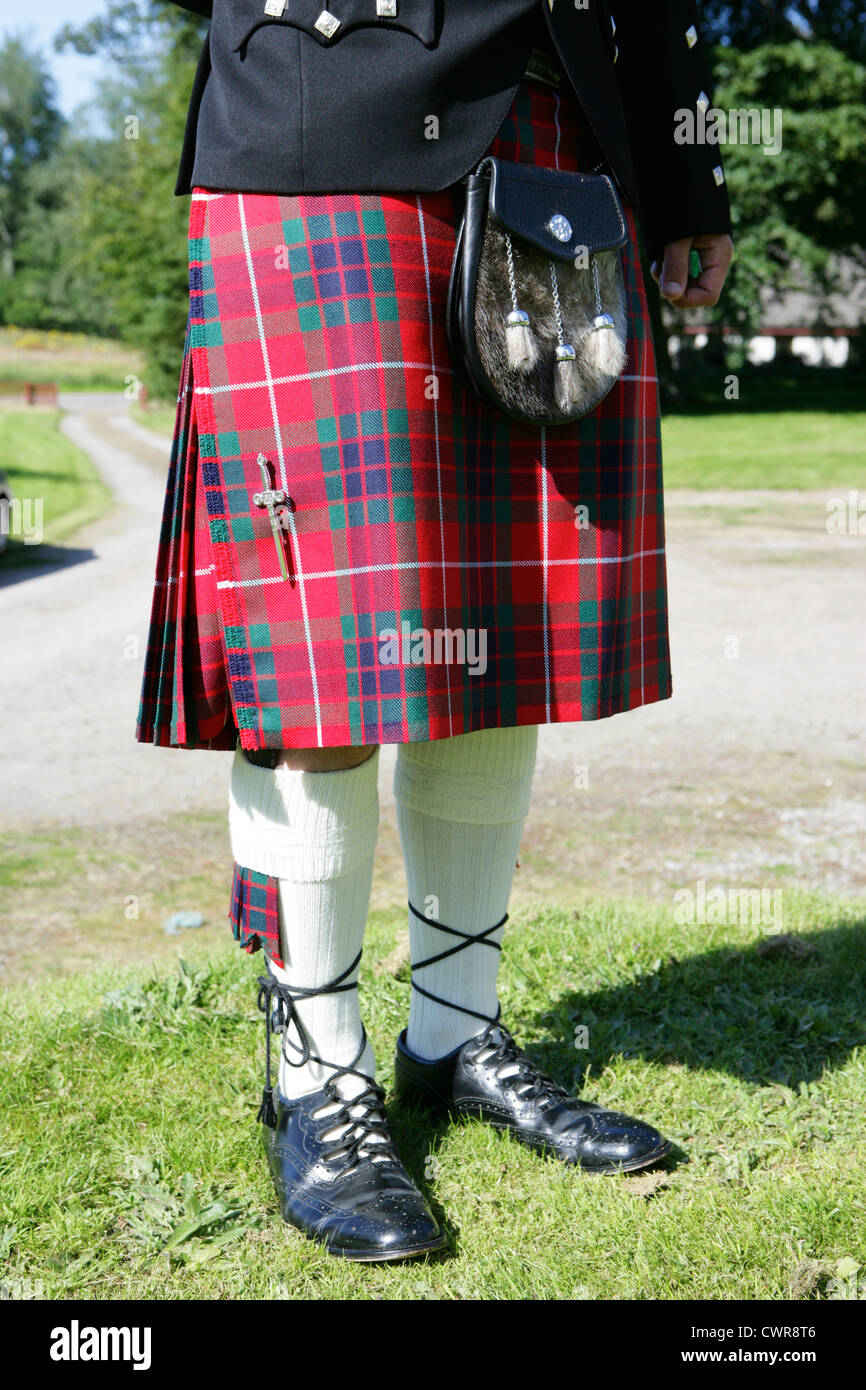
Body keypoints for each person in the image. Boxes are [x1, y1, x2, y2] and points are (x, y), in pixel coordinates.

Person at [137, 0, 734, 1262]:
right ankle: (317, 1061)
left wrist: (681, 169)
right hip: (323, 116)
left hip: (557, 127)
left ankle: (454, 1031)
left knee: (497, 619)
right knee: (328, 646)